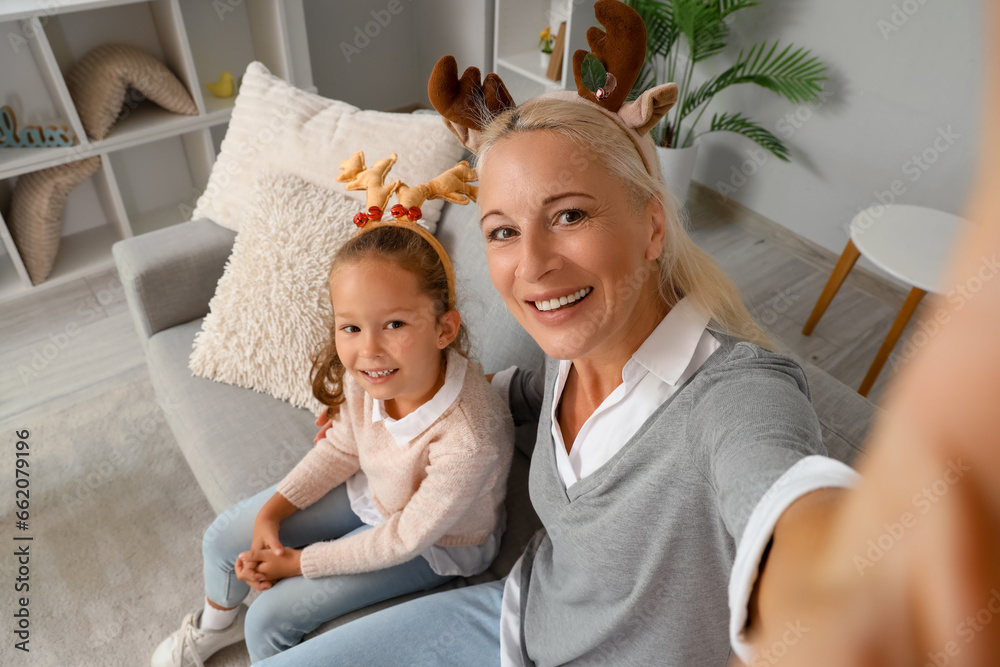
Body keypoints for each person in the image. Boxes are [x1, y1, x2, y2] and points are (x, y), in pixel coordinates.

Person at [253, 2, 860, 664]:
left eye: (569, 215)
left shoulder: (736, 396)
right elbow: (523, 391)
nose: (534, 267)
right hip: (515, 616)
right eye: (503, 231)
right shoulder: (574, 351)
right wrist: (426, 399)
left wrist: (837, 596)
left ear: (653, 227)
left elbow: (789, 503)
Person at [151, 165, 515, 665]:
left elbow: (404, 537)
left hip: (435, 544)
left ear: (444, 328)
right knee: (224, 538)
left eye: (394, 324)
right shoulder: (366, 376)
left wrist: (298, 563)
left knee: (270, 618)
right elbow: (344, 446)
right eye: (351, 328)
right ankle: (214, 628)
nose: (369, 350)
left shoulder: (469, 437)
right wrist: (272, 512)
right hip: (377, 491)